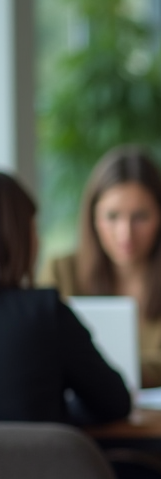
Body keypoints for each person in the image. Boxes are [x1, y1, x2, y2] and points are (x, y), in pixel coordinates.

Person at [41, 147, 161, 388]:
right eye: (112, 216)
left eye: (140, 217)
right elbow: (39, 353)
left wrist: (130, 370)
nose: (125, 233)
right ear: (93, 218)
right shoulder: (61, 272)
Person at [0, 172, 131, 425]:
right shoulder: (44, 313)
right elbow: (115, 403)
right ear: (20, 238)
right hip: (39, 453)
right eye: (34, 228)